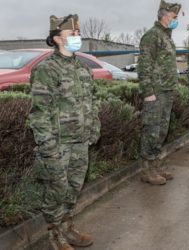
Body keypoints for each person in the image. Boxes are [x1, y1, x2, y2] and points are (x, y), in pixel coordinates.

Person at [29, 14, 100, 250]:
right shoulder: (46, 70)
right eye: (72, 34)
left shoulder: (82, 69)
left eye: (78, 34)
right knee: (57, 190)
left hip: (81, 141)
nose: (77, 37)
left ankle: (68, 226)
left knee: (73, 188)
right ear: (58, 39)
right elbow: (39, 112)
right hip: (58, 144)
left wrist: (94, 128)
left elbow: (93, 100)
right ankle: (54, 233)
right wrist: (47, 145)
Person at [137, 0, 182, 185]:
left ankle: (155, 166)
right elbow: (144, 66)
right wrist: (148, 91)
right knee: (152, 130)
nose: (175, 20)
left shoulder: (167, 37)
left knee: (162, 130)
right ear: (164, 15)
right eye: (173, 17)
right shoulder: (152, 36)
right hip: (155, 92)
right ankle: (146, 170)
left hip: (167, 91)